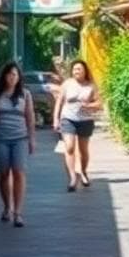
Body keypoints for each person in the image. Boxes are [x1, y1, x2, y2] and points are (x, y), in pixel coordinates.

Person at [0, 62, 35, 227]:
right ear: (4, 76)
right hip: (1, 139)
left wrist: (32, 139)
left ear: (19, 78)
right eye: (9, 74)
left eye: (15, 74)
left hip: (20, 139)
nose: (12, 77)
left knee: (19, 172)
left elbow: (30, 117)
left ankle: (18, 213)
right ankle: (7, 208)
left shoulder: (25, 95)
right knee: (4, 174)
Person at [52, 58, 100, 191]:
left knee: (83, 151)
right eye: (74, 69)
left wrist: (89, 105)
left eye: (79, 69)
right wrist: (56, 119)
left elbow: (99, 104)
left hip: (85, 120)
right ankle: (73, 177)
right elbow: (59, 102)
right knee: (69, 147)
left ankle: (83, 172)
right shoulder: (67, 84)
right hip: (68, 119)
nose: (76, 71)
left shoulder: (91, 85)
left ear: (85, 71)